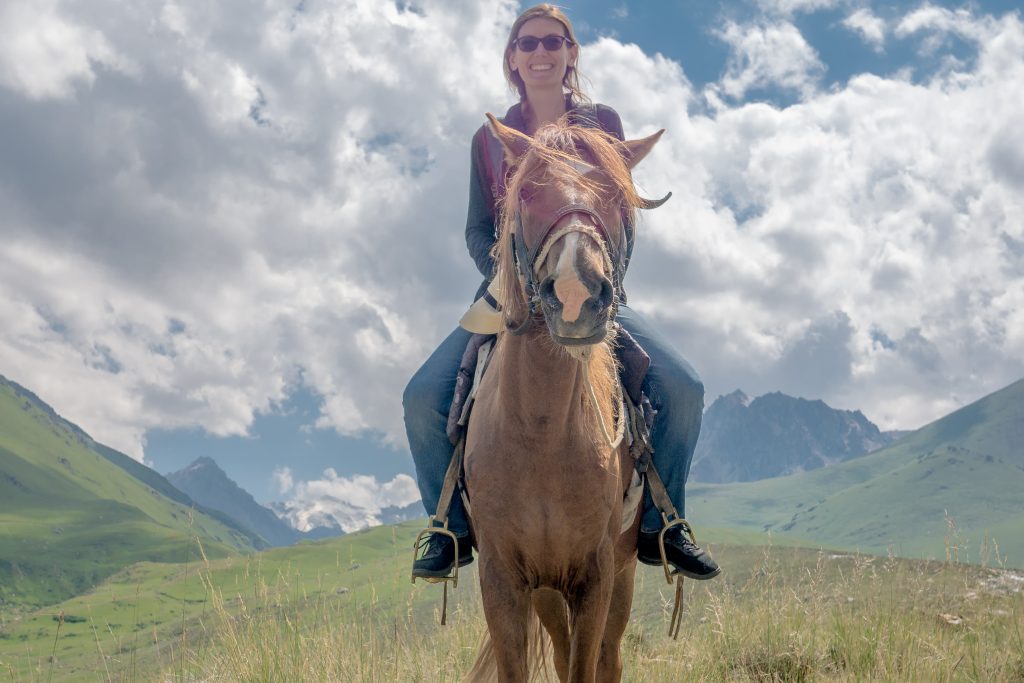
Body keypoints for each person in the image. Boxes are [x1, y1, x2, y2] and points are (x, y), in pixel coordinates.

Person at [404, 4, 720, 582]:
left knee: (683, 387)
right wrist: (512, 276)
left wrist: (601, 278)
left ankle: (663, 524)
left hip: (590, 285)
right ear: (512, 58)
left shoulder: (602, 122)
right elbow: (478, 229)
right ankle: (449, 527)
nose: (541, 52)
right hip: (508, 292)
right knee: (421, 398)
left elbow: (622, 214)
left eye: (554, 42)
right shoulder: (488, 139)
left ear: (571, 53)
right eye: (528, 43)